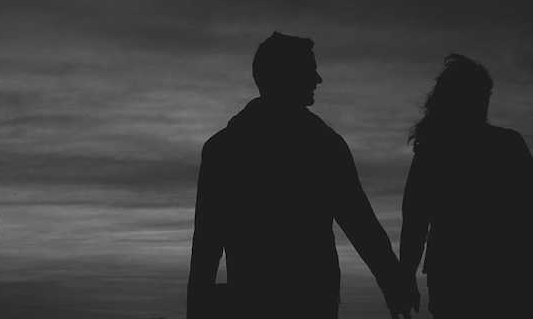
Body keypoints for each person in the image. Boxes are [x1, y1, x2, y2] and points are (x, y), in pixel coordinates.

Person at [187, 32, 411, 319]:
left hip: (258, 302)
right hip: (310, 302)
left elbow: (206, 244)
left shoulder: (223, 147)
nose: (318, 79)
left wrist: (195, 308)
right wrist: (393, 283)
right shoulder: (324, 145)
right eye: (310, 70)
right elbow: (360, 223)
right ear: (286, 75)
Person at [400, 54, 533, 318]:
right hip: (497, 277)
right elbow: (415, 220)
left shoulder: (432, 152)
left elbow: (415, 222)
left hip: (465, 276)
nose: (484, 102)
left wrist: (405, 278)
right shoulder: (508, 144)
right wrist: (405, 278)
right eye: (480, 94)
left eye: (486, 95)